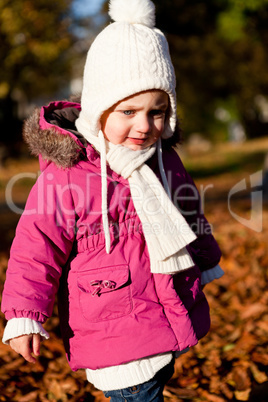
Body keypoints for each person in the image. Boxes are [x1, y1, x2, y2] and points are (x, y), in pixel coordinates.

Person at [1, 0, 224, 400]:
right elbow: (35, 248)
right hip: (112, 323)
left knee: (157, 381)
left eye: (158, 112)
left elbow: (189, 210)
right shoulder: (67, 177)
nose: (145, 125)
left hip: (166, 308)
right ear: (100, 109)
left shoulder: (162, 159)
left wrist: (205, 259)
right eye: (129, 111)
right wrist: (24, 315)